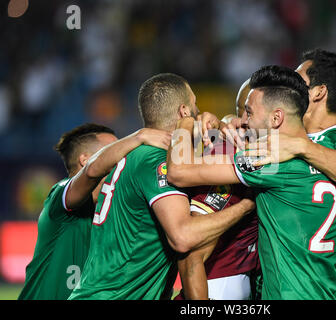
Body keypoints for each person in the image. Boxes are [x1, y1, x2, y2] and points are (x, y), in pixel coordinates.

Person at [167, 65, 336, 299]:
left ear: (276, 117)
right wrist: (222, 124)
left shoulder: (269, 162)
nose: (242, 121)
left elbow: (179, 171)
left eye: (249, 113)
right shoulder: (333, 157)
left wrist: (187, 123)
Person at [68, 73, 255, 300]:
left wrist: (221, 123)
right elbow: (182, 237)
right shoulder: (157, 161)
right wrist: (246, 206)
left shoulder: (134, 153)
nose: (199, 112)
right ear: (184, 111)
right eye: (195, 105)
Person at [18, 123, 171, 299]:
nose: (123, 157)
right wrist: (139, 136)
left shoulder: (116, 212)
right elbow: (90, 173)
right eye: (115, 150)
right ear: (85, 160)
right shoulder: (59, 199)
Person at [229, 49, 336, 193]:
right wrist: (224, 124)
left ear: (319, 92)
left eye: (299, 81)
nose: (291, 85)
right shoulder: (286, 128)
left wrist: (301, 146)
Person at [175, 79, 259, 300]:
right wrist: (246, 207)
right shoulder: (227, 152)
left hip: (245, 280)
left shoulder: (265, 153)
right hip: (221, 285)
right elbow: (191, 250)